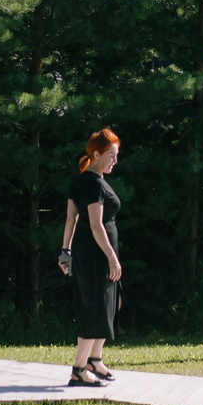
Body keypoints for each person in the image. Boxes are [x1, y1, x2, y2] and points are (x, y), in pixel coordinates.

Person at [58, 128, 124, 387]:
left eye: (116, 155)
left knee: (108, 304)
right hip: (97, 254)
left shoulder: (80, 182)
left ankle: (95, 360)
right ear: (96, 155)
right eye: (111, 155)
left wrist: (65, 252)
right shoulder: (95, 184)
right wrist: (112, 257)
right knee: (95, 308)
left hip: (89, 252)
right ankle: (78, 369)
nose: (115, 160)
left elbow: (70, 219)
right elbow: (95, 225)